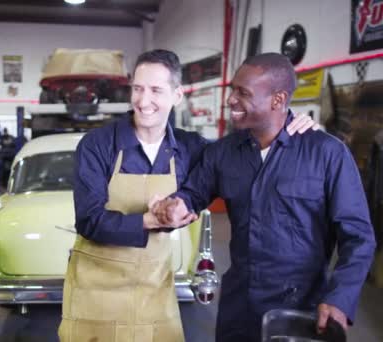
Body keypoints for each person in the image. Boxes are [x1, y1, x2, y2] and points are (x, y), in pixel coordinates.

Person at [58, 49, 317, 342]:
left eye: (156, 90)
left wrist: (298, 128)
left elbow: (242, 153)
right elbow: (89, 221)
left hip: (153, 291)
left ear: (177, 95)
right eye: (138, 89)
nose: (144, 101)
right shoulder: (98, 145)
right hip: (96, 293)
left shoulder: (192, 148)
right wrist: (150, 220)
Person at [154, 53, 376, 342]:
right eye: (233, 89)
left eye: (243, 93)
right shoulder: (223, 152)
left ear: (278, 100)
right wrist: (175, 206)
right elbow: (194, 193)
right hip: (238, 305)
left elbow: (358, 236)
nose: (231, 99)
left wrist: (340, 298)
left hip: (301, 307)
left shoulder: (326, 154)